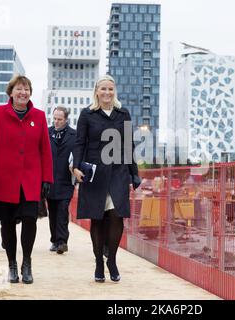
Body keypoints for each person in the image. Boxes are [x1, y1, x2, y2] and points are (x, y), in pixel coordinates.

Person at [0, 75, 53, 284]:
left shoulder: (38, 116)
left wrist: (47, 178)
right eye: (19, 89)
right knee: (8, 223)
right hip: (4, 180)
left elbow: (45, 151)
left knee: (30, 220)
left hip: (30, 180)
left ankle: (27, 263)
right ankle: (12, 264)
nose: (23, 93)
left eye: (27, 89)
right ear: (11, 92)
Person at [73, 75, 141, 283]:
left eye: (110, 89)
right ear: (96, 91)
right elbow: (79, 143)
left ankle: (111, 259)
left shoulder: (123, 114)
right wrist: (76, 167)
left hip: (118, 172)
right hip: (95, 173)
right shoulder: (87, 114)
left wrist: (134, 173)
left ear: (114, 91)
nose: (107, 93)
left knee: (116, 216)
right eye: (103, 89)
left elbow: (129, 145)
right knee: (98, 218)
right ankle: (98, 263)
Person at [47, 106, 76, 254]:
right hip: (50, 181)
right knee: (52, 211)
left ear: (66, 119)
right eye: (55, 119)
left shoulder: (74, 135)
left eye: (60, 119)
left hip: (66, 181)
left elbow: (78, 155)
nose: (56, 122)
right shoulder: (47, 133)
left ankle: (62, 241)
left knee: (62, 211)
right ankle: (54, 240)